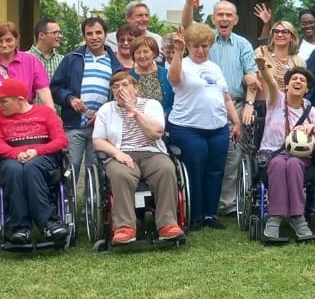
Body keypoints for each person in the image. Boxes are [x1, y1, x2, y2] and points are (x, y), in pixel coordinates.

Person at [181, 0, 260, 218]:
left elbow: (252, 77)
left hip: (234, 104)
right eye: (220, 15)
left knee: (232, 158)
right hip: (200, 106)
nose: (224, 19)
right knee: (202, 159)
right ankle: (202, 204)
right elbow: (186, 25)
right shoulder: (204, 39)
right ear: (213, 18)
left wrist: (248, 104)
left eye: (229, 15)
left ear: (235, 20)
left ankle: (225, 204)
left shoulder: (243, 44)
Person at [91, 72, 184, 243]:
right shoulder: (106, 109)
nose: (120, 89)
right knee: (121, 175)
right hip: (122, 154)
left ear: (136, 88)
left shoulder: (151, 105)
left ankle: (167, 224)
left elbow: (156, 133)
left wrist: (132, 110)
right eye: (116, 87)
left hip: (152, 152)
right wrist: (118, 153)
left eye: (125, 85)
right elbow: (98, 141)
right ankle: (125, 227)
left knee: (166, 169)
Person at [168, 23, 241, 231]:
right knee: (195, 169)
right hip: (188, 128)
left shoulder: (214, 68)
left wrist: (235, 121)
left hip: (217, 128)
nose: (200, 50)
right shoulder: (182, 64)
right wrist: (178, 52)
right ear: (189, 46)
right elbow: (174, 78)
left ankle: (210, 213)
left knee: (216, 170)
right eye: (196, 46)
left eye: (205, 46)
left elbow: (226, 97)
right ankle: (195, 214)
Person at [0, 78, 70, 245]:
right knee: (14, 170)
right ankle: (20, 227)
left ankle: (47, 223)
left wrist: (37, 151)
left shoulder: (45, 113)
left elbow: (61, 140)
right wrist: (17, 153)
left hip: (43, 157)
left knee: (32, 167)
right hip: (11, 158)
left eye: (4, 101)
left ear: (20, 100)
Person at [254, 63, 315, 241]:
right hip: (273, 154)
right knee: (280, 164)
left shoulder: (312, 111)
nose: (297, 81)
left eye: (302, 80)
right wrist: (263, 69)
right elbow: (271, 83)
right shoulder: (276, 100)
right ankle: (275, 218)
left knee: (294, 163)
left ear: (307, 89)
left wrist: (314, 130)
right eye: (294, 79)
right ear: (286, 85)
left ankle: (297, 217)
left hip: (301, 156)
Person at [51, 18, 123, 187]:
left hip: (100, 127)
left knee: (96, 168)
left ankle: (93, 209)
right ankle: (67, 207)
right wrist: (70, 99)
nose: (94, 37)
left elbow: (119, 96)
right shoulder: (72, 58)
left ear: (105, 35)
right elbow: (54, 88)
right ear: (84, 36)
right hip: (74, 125)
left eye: (98, 32)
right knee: (71, 166)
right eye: (89, 33)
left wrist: (104, 112)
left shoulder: (115, 64)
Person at [127, 36, 173, 113]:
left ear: (154, 53)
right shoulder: (128, 77)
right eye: (138, 52)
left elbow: (174, 101)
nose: (142, 56)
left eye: (146, 51)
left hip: (163, 121)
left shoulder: (166, 74)